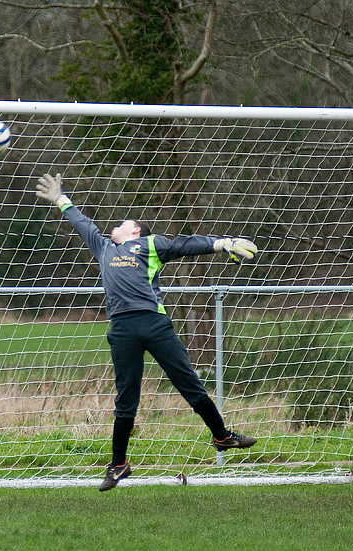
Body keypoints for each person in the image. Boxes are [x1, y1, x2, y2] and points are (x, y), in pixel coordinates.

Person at [36, 173, 259, 491]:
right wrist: (60, 198)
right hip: (123, 329)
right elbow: (81, 221)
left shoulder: (149, 245)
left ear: (136, 231)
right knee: (126, 400)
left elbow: (185, 245)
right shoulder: (102, 247)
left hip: (155, 324)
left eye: (123, 223)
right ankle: (118, 466)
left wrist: (222, 243)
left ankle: (222, 436)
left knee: (190, 386)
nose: (115, 226)